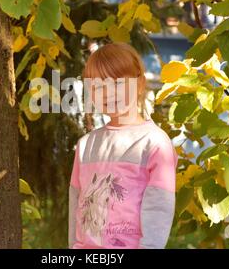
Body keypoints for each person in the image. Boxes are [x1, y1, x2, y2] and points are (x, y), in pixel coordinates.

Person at [68, 42, 178, 249]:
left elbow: (159, 209)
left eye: (118, 83)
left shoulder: (154, 143)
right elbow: (76, 206)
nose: (108, 93)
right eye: (98, 86)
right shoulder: (85, 145)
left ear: (139, 84)